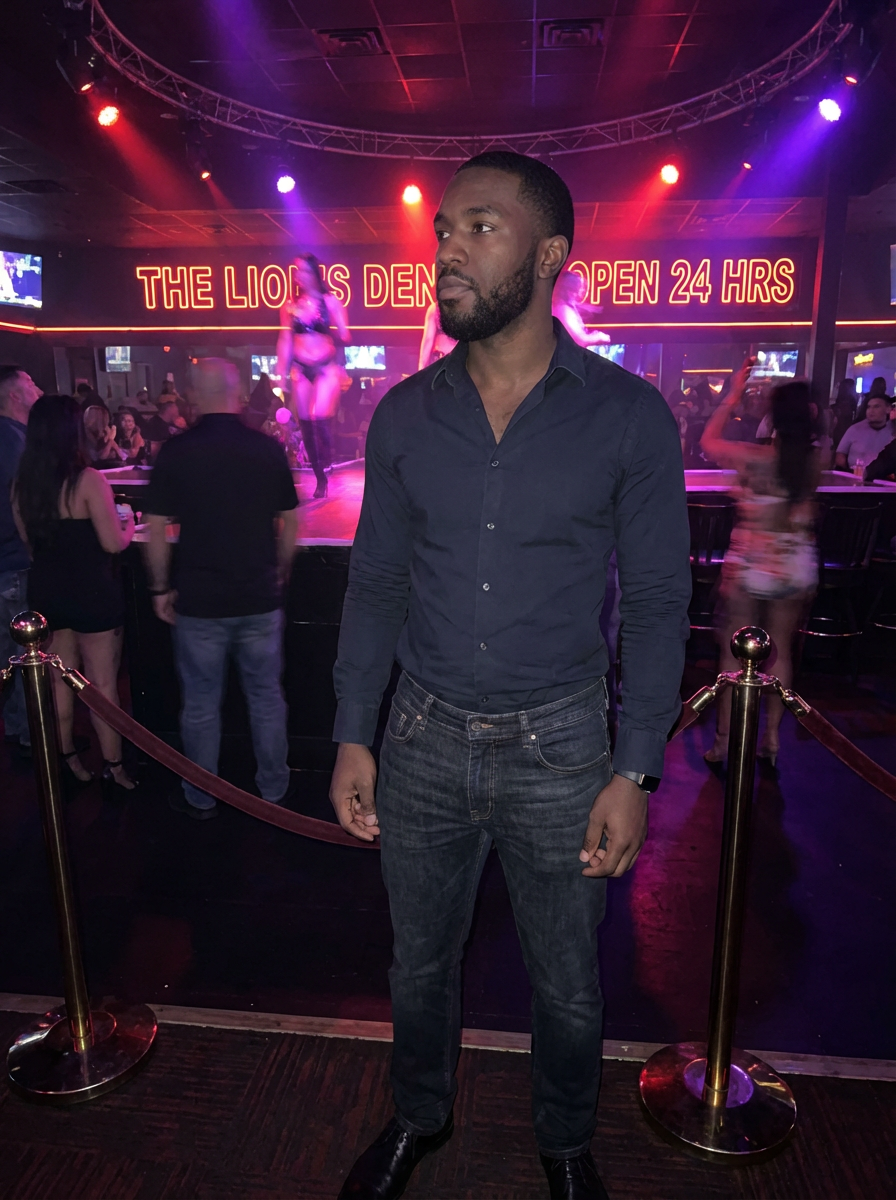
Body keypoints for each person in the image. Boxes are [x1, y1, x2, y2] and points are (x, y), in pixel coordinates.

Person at [330, 150, 690, 1200]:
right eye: (443, 229)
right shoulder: (405, 415)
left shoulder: (626, 416)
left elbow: (658, 603)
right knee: (416, 966)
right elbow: (376, 583)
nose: (447, 248)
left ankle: (564, 1143)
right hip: (421, 737)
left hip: (562, 748)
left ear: (548, 255)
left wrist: (636, 769)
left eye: (479, 227)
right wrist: (352, 729)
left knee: (569, 985)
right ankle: (418, 1115)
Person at [143, 358, 300, 819]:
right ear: (238, 393)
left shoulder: (177, 451)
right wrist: (281, 570)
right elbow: (291, 521)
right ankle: (274, 791)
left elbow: (155, 529)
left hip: (200, 599)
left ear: (194, 394)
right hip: (258, 595)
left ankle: (200, 796)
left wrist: (159, 588)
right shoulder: (266, 448)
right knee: (266, 699)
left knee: (200, 705)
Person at [12, 395, 137, 789]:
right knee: (102, 686)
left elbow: (30, 546)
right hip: (91, 591)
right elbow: (112, 543)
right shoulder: (88, 480)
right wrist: (129, 524)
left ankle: (66, 760)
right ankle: (114, 768)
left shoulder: (21, 486)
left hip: (47, 592)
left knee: (58, 683)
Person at [700, 365, 819, 767]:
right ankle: (770, 739)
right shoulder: (813, 463)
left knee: (733, 653)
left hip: (752, 564)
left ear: (773, 417)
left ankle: (723, 742)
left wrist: (734, 394)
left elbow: (708, 441)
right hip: (794, 564)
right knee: (780, 649)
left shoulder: (755, 459)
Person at [276, 252, 350, 499]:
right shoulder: (290, 306)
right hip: (300, 367)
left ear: (315, 273)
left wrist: (342, 361)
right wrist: (281, 372)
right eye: (297, 271)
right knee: (306, 421)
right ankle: (320, 478)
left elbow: (344, 335)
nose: (301, 275)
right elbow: (285, 339)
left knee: (319, 415)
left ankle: (327, 458)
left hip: (325, 366)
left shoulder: (330, 301)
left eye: (305, 271)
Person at [0, 365, 42, 757]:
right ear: (14, 395)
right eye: (30, 383)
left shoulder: (12, 436)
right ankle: (31, 735)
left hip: (8, 559)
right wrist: (33, 548)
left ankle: (17, 728)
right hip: (13, 559)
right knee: (21, 652)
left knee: (8, 652)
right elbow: (20, 503)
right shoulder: (12, 440)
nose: (38, 388)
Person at [834, 394, 894, 472]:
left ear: (888, 409)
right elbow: (840, 455)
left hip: (882, 477)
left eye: (876, 406)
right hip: (853, 474)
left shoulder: (893, 430)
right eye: (869, 407)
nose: (871, 411)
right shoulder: (855, 429)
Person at [551, 270, 610, 348]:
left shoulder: (565, 305)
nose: (583, 290)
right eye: (580, 287)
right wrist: (599, 337)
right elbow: (581, 340)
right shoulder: (564, 311)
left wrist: (589, 308)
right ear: (571, 290)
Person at [417, 300, 457, 370]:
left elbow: (428, 340)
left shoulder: (467, 309)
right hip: (442, 360)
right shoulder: (435, 309)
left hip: (455, 362)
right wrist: (421, 368)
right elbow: (428, 340)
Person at [83, 402, 126, 468]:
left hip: (108, 465)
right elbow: (101, 457)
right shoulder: (87, 433)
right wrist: (110, 440)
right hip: (97, 467)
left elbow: (121, 455)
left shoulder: (106, 430)